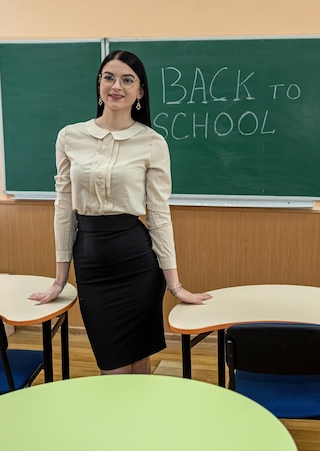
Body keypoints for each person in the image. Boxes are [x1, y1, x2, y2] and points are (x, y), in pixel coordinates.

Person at [29, 50, 212, 375]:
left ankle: (140, 426)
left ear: (140, 91)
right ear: (99, 83)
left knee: (140, 361)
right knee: (111, 367)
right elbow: (63, 209)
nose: (117, 86)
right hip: (92, 267)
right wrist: (60, 279)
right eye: (109, 77)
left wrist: (175, 285)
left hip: (138, 265)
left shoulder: (152, 142)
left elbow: (158, 214)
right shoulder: (70, 137)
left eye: (127, 80)